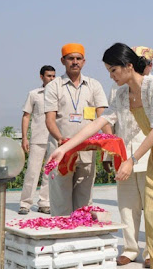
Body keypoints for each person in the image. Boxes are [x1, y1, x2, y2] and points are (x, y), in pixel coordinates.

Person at [48, 43, 153, 269]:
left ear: (128, 65)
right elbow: (99, 122)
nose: (111, 76)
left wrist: (131, 160)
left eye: (113, 70)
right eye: (108, 72)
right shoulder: (122, 94)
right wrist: (65, 148)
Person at [44, 43, 110, 216]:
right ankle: (61, 237)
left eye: (78, 58)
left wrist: (110, 146)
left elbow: (104, 117)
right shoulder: (54, 86)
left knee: (84, 199)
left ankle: (81, 236)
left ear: (84, 61)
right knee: (60, 198)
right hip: (61, 151)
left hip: (87, 151)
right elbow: (50, 120)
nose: (75, 62)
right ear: (63, 61)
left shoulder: (94, 85)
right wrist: (61, 140)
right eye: (70, 58)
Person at [103, 46, 153, 268]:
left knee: (151, 207)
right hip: (123, 156)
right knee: (127, 206)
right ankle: (131, 249)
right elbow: (108, 121)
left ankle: (152, 252)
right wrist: (108, 150)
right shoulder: (118, 91)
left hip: (148, 154)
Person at [18, 65, 56, 215]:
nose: (51, 79)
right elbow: (26, 116)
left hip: (53, 138)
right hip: (37, 138)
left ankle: (44, 203)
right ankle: (25, 203)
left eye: (53, 76)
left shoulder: (59, 94)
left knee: (49, 172)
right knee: (32, 172)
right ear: (41, 77)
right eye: (48, 76)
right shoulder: (34, 94)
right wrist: (24, 137)